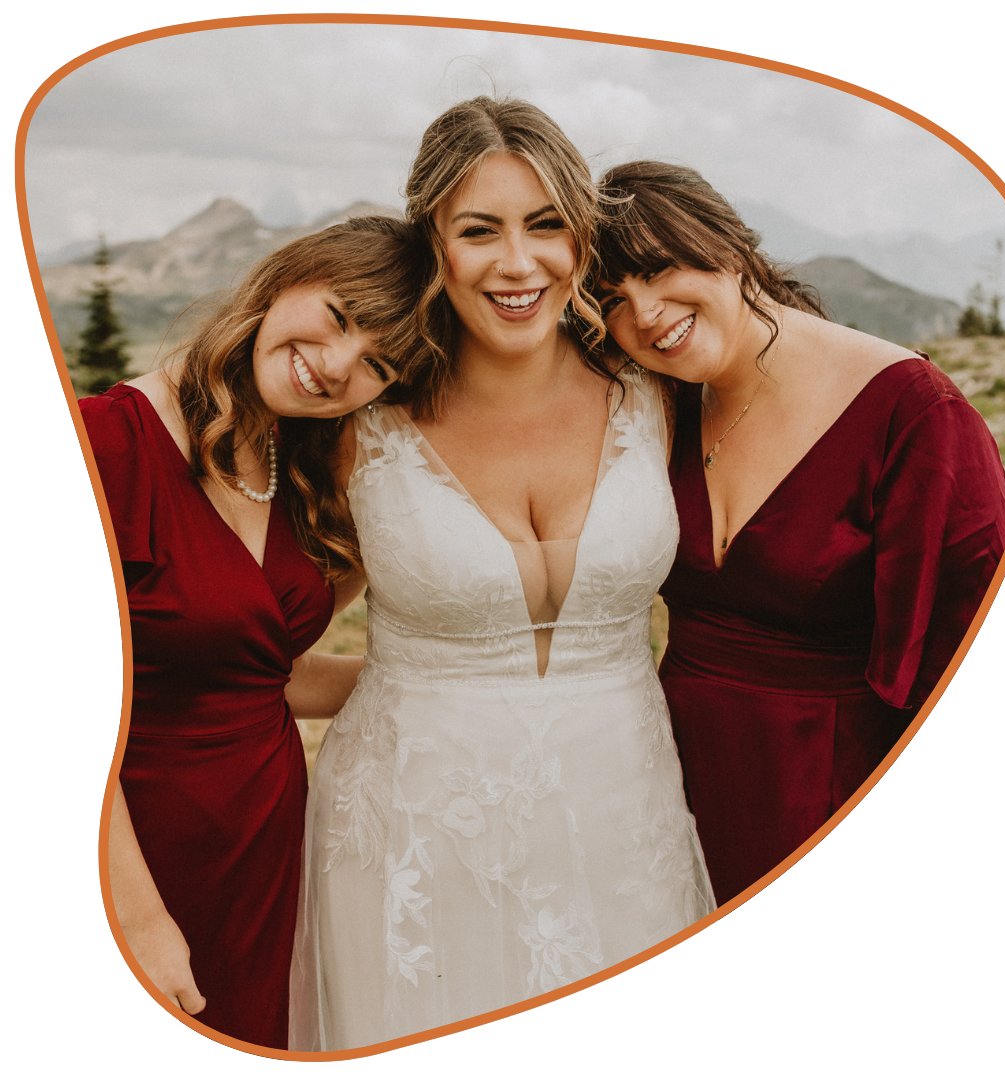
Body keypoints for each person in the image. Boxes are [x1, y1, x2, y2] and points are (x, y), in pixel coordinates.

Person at [290, 99, 715, 1052]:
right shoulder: (361, 427)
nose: (518, 263)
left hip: (626, 827)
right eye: (479, 230)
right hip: (412, 846)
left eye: (546, 224)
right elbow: (256, 650)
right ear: (433, 244)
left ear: (581, 237)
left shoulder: (659, 396)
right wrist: (415, 686)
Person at [593, 161, 1005, 908]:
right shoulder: (661, 404)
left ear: (728, 245)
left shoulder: (913, 414)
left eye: (658, 270)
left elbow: (983, 661)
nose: (647, 313)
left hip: (828, 804)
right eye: (612, 301)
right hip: (668, 797)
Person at [81, 216, 428, 1049]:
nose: (338, 366)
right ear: (285, 278)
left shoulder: (298, 466)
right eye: (339, 317)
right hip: (129, 857)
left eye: (377, 364)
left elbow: (261, 673)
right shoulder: (99, 443)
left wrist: (450, 681)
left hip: (268, 857)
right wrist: (138, 917)